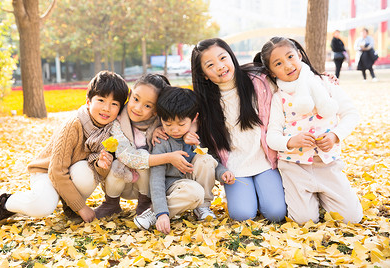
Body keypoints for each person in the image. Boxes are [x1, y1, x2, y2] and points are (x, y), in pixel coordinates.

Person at [0, 71, 129, 229]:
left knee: (87, 172)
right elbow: (56, 171)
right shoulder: (74, 125)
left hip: (71, 172)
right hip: (47, 171)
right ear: (88, 102)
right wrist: (82, 208)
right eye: (101, 100)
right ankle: (7, 203)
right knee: (43, 206)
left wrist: (101, 166)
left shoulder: (111, 132)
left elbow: (98, 175)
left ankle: (69, 205)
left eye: (114, 104)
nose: (106, 108)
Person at [259, 37, 363, 225]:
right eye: (278, 64)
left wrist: (335, 135)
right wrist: (291, 141)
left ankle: (326, 197)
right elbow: (272, 136)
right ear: (271, 71)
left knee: (351, 218)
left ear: (299, 55)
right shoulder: (278, 98)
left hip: (327, 164)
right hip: (295, 167)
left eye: (291, 57)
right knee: (303, 220)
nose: (288, 65)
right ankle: (311, 200)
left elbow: (351, 114)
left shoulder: (325, 83)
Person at [190, 38, 287, 223]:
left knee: (276, 213)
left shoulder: (259, 81)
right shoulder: (204, 102)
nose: (220, 66)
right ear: (203, 74)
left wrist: (321, 79)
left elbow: (291, 81)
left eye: (223, 58)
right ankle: (251, 195)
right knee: (242, 215)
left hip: (265, 161)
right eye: (210, 65)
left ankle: (262, 192)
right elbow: (181, 119)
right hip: (235, 167)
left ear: (231, 56)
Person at [134, 86, 235, 234]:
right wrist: (162, 213)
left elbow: (211, 161)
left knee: (204, 159)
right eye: (168, 124)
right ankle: (155, 213)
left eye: (181, 124)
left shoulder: (195, 137)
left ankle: (203, 207)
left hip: (192, 181)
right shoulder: (162, 140)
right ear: (160, 119)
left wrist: (222, 173)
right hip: (174, 187)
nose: (174, 129)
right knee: (194, 193)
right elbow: (156, 179)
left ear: (194, 118)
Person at [95, 74, 194, 219]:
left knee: (148, 167)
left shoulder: (162, 125)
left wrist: (185, 135)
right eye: (135, 99)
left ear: (156, 111)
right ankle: (111, 203)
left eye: (147, 105)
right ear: (130, 94)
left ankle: (144, 204)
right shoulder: (117, 122)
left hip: (148, 187)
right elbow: (126, 155)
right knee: (117, 164)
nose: (138, 108)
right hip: (122, 182)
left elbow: (185, 119)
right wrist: (167, 157)